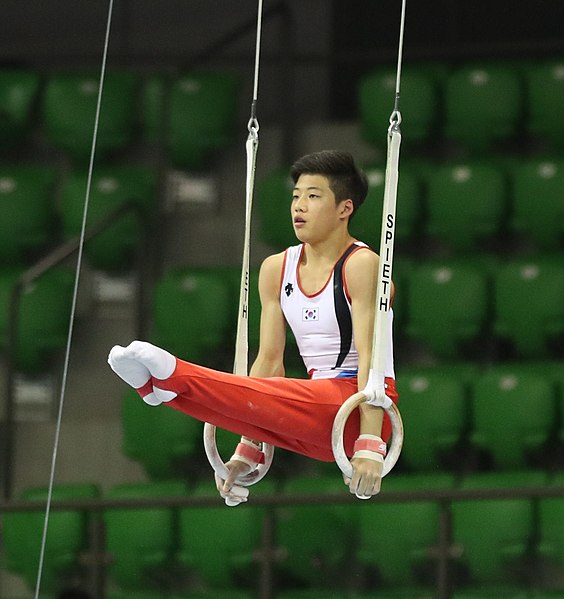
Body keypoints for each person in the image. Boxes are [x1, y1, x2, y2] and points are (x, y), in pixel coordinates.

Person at [108, 150, 397, 503]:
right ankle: (159, 391)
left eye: (313, 196)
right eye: (296, 196)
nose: (299, 206)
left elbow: (371, 357)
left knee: (263, 392)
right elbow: (269, 363)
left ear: (344, 209)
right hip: (316, 418)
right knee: (241, 392)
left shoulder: (362, 265)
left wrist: (371, 443)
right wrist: (250, 446)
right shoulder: (277, 268)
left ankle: (173, 375)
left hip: (360, 405)